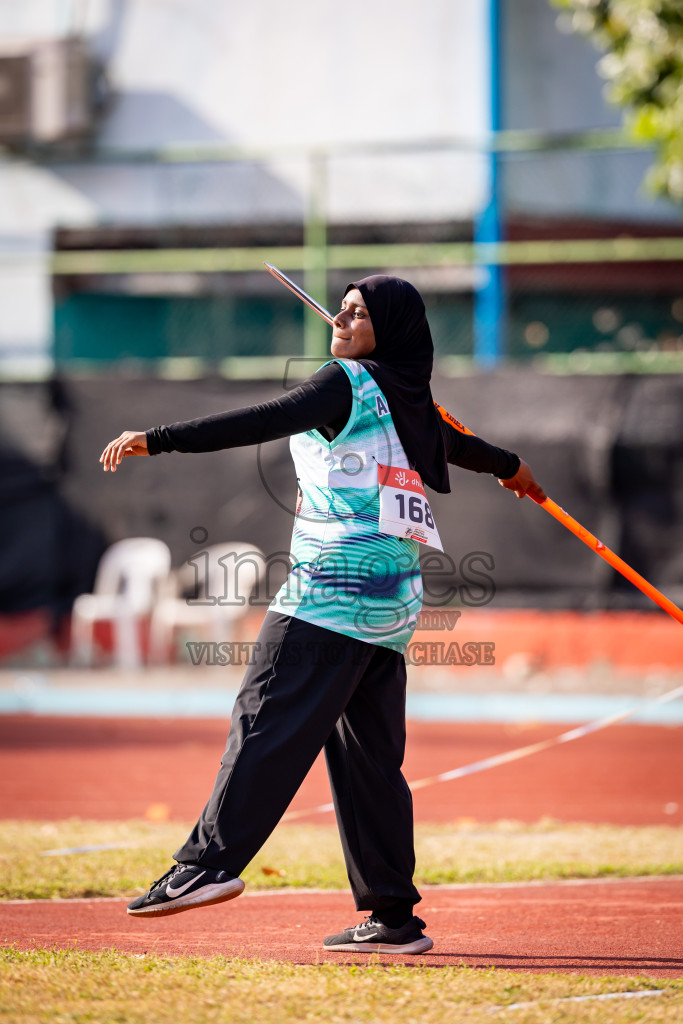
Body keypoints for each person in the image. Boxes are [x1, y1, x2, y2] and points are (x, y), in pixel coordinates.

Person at [99, 275, 545, 954]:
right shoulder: (407, 400)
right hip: (391, 609)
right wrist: (510, 465)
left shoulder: (347, 384)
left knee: (262, 718)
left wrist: (155, 437)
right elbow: (458, 449)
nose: (339, 317)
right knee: (369, 762)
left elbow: (257, 420)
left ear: (387, 328)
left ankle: (204, 866)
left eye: (357, 312)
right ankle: (393, 918)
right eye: (340, 307)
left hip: (329, 593)